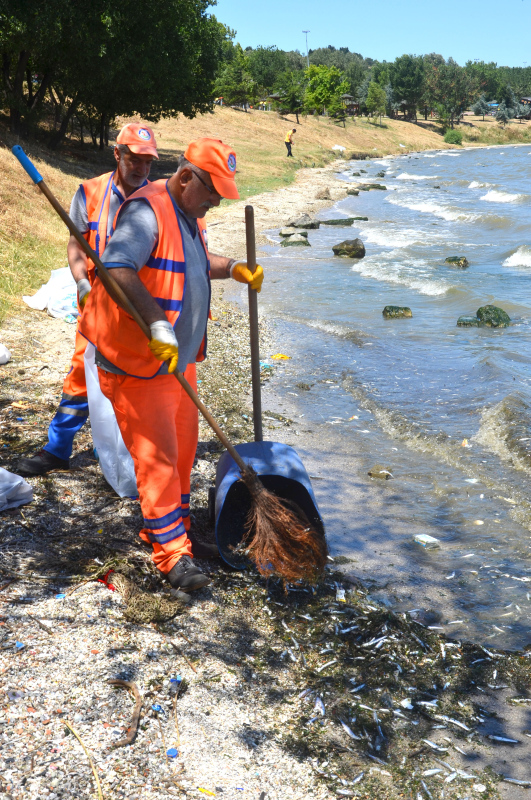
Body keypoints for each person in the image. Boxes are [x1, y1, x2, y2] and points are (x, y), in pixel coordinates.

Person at [78, 138, 264, 593]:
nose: (217, 200)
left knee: (182, 451)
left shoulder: (187, 213)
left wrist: (234, 267)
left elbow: (193, 264)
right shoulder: (147, 211)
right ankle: (171, 557)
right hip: (139, 361)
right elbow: (116, 267)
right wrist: (158, 324)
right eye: (213, 190)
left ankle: (171, 528)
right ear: (185, 177)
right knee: (157, 458)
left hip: (176, 364)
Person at [18, 123, 159, 476]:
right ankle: (57, 448)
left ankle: (134, 456)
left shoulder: (160, 199)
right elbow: (76, 243)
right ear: (117, 154)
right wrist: (81, 282)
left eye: (147, 162)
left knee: (140, 382)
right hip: (98, 303)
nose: (141, 168)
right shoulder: (90, 192)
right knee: (82, 373)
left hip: (142, 305)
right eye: (134, 159)